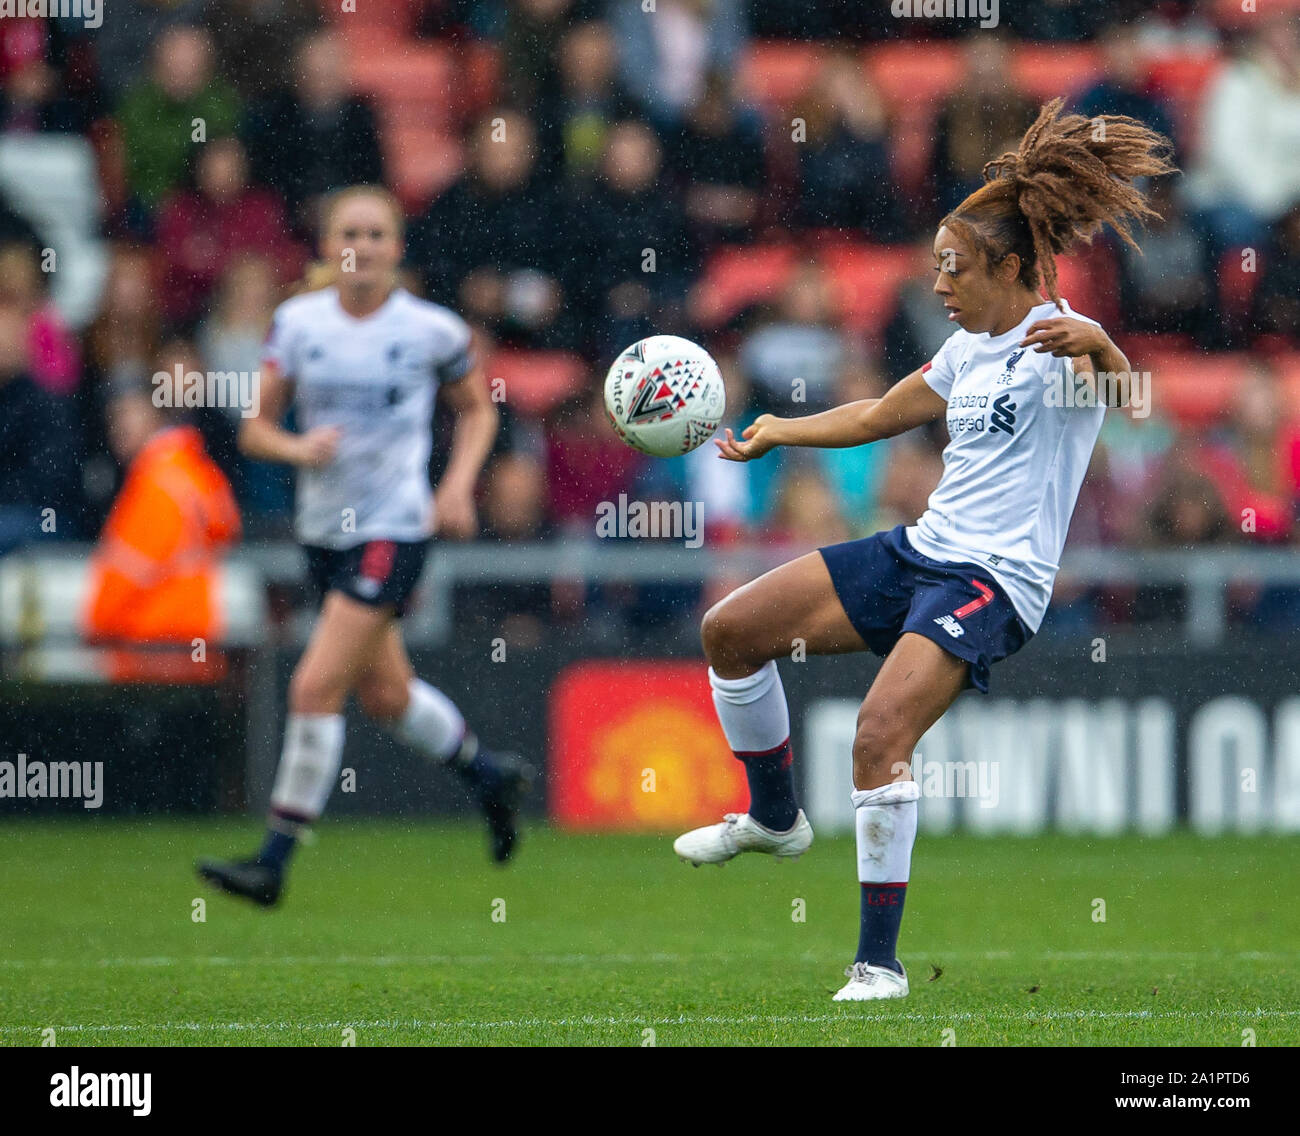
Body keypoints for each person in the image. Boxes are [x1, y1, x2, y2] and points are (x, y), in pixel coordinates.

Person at [672, 100, 1175, 1001]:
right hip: (919, 551)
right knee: (730, 631)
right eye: (937, 268)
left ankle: (878, 965)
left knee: (877, 735)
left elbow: (1138, 405)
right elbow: (875, 415)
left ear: (1012, 266)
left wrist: (1101, 340)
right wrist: (778, 430)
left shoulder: (1061, 346)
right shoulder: (968, 350)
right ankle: (776, 819)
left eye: (956, 270)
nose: (940, 286)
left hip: (993, 581)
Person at [197, 186, 531, 908]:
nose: (364, 245)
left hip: (395, 529)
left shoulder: (432, 330)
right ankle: (489, 776)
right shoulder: (297, 323)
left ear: (397, 247)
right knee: (385, 695)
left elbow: (478, 411)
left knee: (313, 686)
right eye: (350, 231)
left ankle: (273, 863)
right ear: (327, 246)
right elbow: (256, 429)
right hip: (323, 535)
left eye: (377, 233)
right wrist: (297, 447)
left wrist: (456, 488)